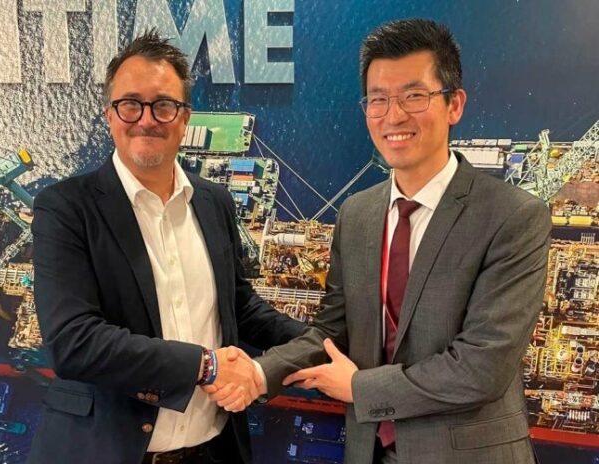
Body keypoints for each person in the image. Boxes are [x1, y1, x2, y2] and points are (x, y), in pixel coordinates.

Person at [209, 18, 551, 464]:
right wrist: (259, 373)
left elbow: (481, 367)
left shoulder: (512, 216)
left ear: (454, 104)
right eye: (378, 99)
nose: (394, 116)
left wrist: (359, 388)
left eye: (414, 96)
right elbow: (332, 332)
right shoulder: (357, 214)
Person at [28, 29, 304, 464]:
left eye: (163, 105)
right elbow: (74, 342)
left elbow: (236, 304)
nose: (146, 119)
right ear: (110, 114)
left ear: (184, 117)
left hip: (212, 453)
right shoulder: (66, 208)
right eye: (130, 104)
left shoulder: (214, 201)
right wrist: (205, 366)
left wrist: (315, 341)